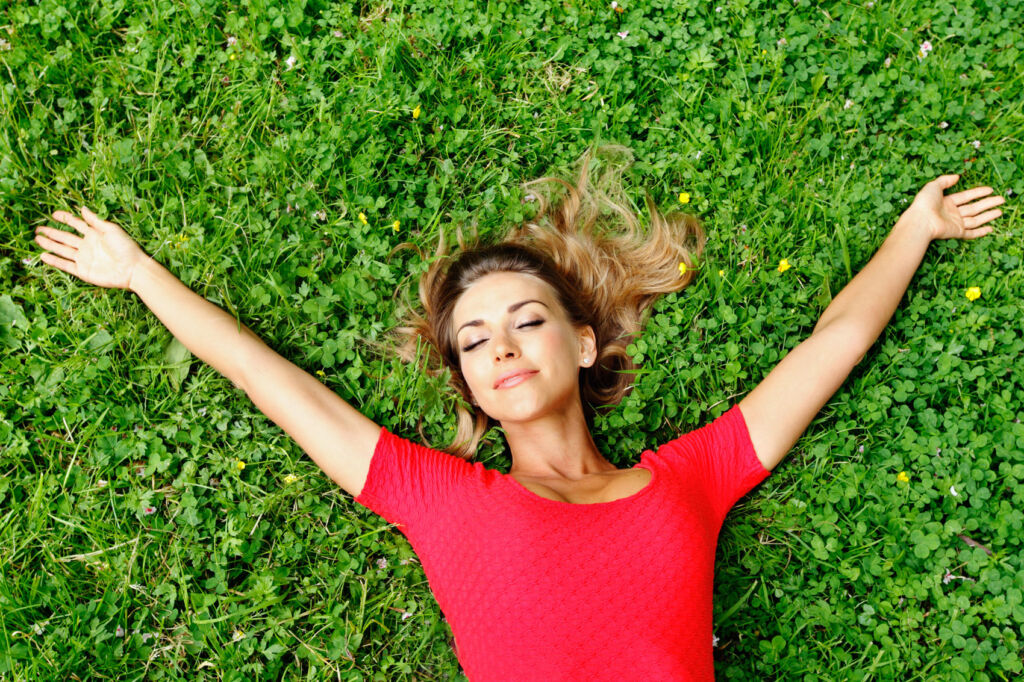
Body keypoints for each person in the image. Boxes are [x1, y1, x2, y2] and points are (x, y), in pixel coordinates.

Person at [31, 146, 1006, 681]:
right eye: (474, 337)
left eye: (526, 319)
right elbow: (263, 376)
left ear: (583, 344)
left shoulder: (693, 477)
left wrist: (914, 228)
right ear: (466, 381)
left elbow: (830, 346)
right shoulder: (436, 496)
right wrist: (138, 274)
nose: (499, 343)